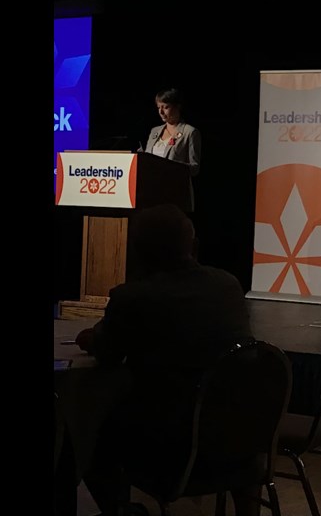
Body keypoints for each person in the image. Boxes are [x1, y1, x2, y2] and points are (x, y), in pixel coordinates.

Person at [75, 204, 255, 516]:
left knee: (85, 432)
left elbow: (107, 352)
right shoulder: (228, 285)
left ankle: (117, 511)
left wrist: (93, 336)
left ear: (138, 252)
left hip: (170, 445)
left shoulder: (133, 298)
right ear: (194, 246)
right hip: (242, 438)